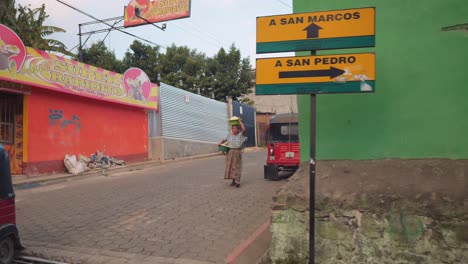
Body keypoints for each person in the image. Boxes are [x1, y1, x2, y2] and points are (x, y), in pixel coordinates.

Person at [219, 118, 247, 188]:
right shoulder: (229, 136)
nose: (234, 129)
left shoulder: (240, 135)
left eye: (235, 128)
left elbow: (244, 129)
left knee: (237, 166)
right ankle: (233, 181)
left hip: (237, 152)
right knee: (231, 167)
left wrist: (240, 122)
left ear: (238, 129)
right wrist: (220, 143)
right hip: (230, 152)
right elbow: (224, 140)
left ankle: (237, 181)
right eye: (233, 128)